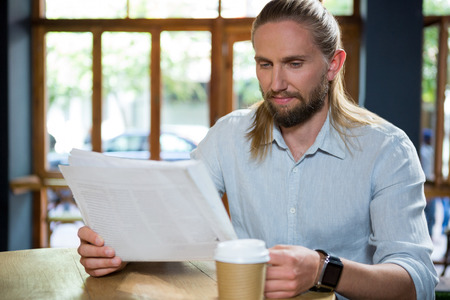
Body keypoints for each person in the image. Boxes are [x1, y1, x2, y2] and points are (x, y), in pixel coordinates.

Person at [77, 0, 438, 299]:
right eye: (265, 64)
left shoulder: (387, 150)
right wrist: (119, 250)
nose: (275, 83)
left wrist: (323, 270)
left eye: (294, 64)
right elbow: (167, 221)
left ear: (333, 65)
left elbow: (416, 281)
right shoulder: (228, 136)